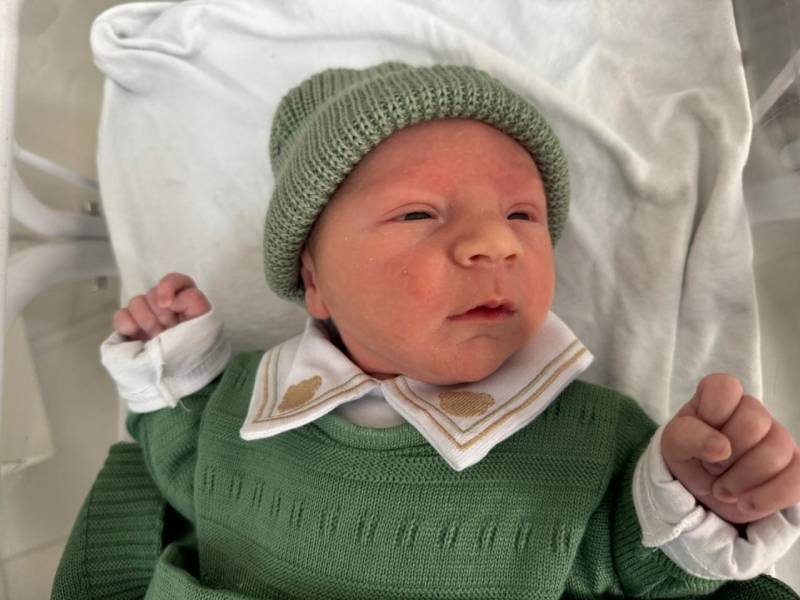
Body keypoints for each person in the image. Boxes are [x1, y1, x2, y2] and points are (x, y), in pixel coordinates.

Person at [53, 62, 800, 599]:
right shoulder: (245, 404)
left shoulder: (599, 436)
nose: (496, 244)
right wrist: (177, 369)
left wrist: (699, 501)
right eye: (417, 213)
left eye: (522, 215)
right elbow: (172, 462)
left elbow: (645, 568)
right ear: (315, 281)